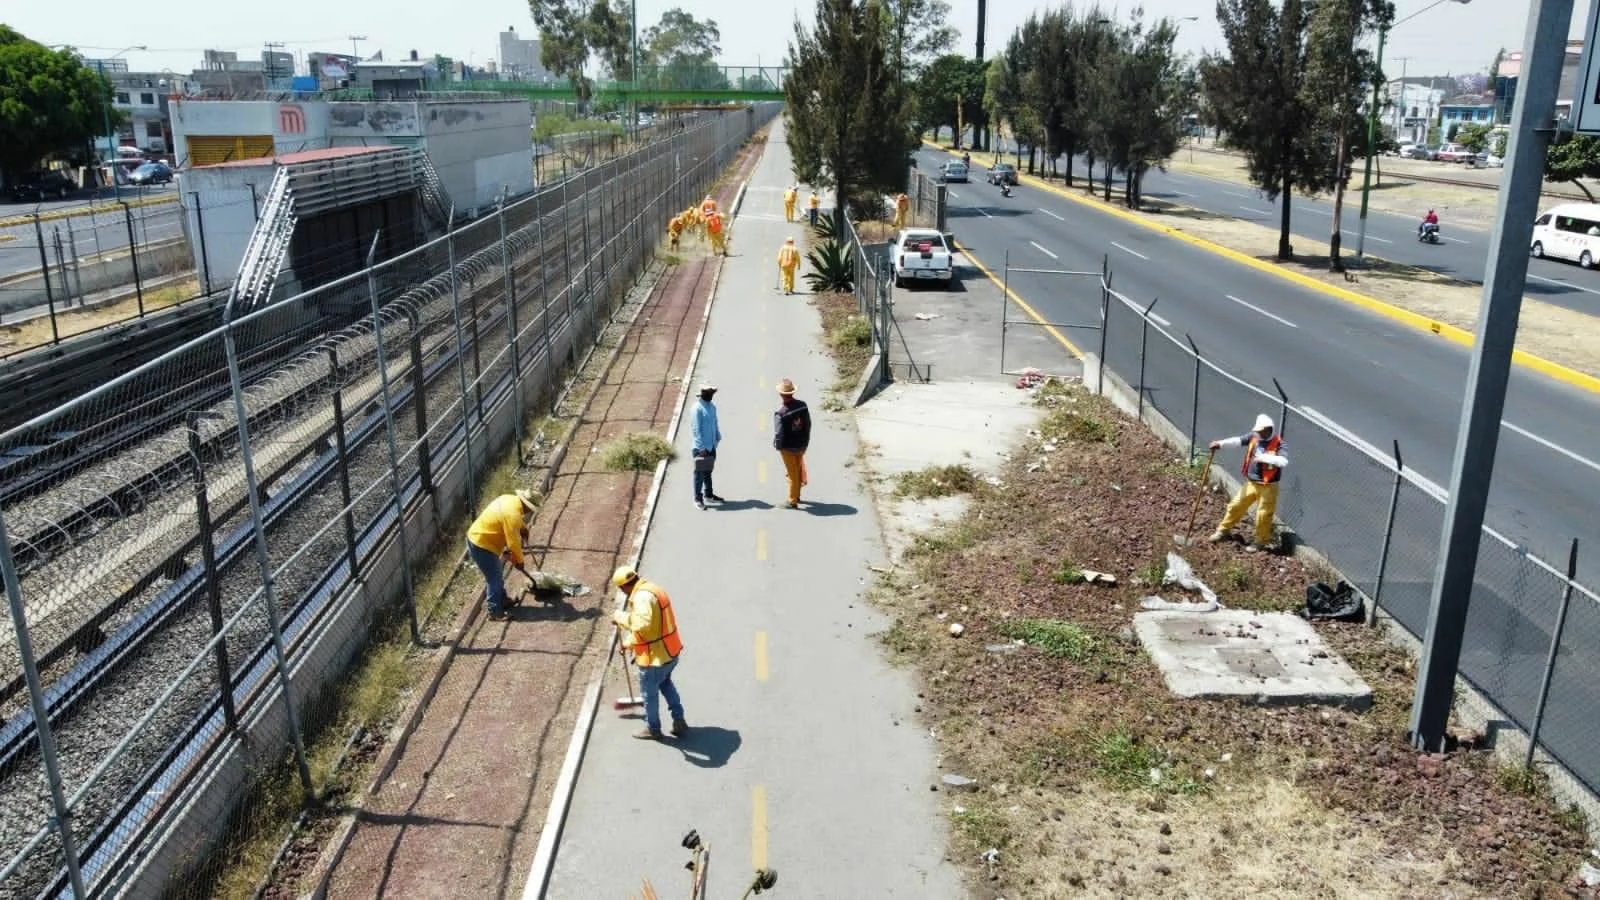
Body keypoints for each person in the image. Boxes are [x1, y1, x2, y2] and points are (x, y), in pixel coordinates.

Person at [611, 566, 687, 740]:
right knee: (666, 684)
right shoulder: (653, 589)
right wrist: (629, 643)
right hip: (670, 652)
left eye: (621, 589)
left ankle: (652, 728)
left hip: (654, 659)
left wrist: (620, 617)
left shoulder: (642, 598)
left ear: (624, 587)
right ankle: (679, 719)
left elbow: (642, 625)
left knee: (649, 695)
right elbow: (652, 629)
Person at [1207, 414, 1289, 552]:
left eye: (1261, 431)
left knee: (1263, 514)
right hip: (1252, 483)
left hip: (1269, 486)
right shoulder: (1254, 436)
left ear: (1269, 429)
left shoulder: (1280, 444)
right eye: (1258, 431)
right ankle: (1223, 531)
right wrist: (1220, 444)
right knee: (1236, 505)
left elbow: (1283, 461)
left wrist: (1265, 458)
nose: (1258, 433)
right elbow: (1237, 441)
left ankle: (1260, 541)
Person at [466, 489, 542, 620]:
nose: (529, 512)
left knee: (496, 574)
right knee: (494, 578)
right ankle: (494, 612)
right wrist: (519, 561)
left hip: (482, 537)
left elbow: (510, 522)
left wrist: (523, 528)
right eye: (530, 509)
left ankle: (503, 600)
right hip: (481, 544)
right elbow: (513, 543)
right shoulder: (512, 515)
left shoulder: (509, 499)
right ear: (526, 506)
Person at [772, 378, 812, 509]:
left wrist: (778, 446)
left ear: (781, 394)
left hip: (788, 448)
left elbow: (779, 433)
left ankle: (792, 500)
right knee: (798, 468)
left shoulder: (780, 413)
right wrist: (806, 442)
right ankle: (797, 494)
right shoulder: (803, 405)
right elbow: (808, 424)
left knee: (792, 473)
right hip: (801, 445)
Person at [691, 383, 723, 508]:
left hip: (711, 446)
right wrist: (701, 448)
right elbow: (696, 430)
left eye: (712, 393)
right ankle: (697, 499)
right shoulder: (696, 408)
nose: (712, 395)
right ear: (703, 394)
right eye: (710, 393)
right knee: (699, 474)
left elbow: (715, 422)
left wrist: (717, 436)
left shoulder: (712, 407)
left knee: (708, 472)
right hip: (701, 448)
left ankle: (708, 495)